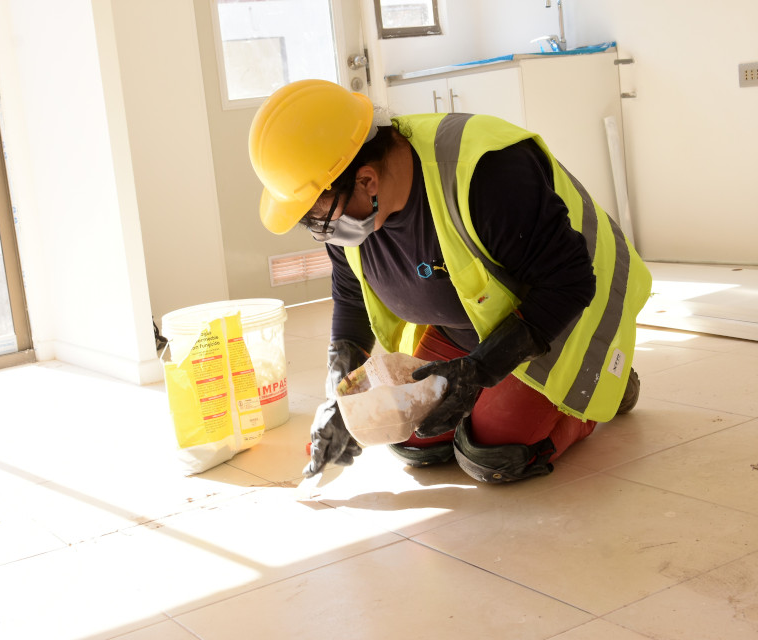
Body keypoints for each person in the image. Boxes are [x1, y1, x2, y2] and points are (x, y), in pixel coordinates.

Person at [248, 79, 652, 483]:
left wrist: (479, 371)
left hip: (562, 315)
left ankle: (605, 387)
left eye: (324, 216)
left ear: (367, 180)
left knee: (492, 455)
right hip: (472, 324)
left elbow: (570, 281)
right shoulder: (346, 211)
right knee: (412, 441)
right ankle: (492, 397)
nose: (326, 230)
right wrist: (343, 394)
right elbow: (352, 294)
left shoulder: (485, 174)